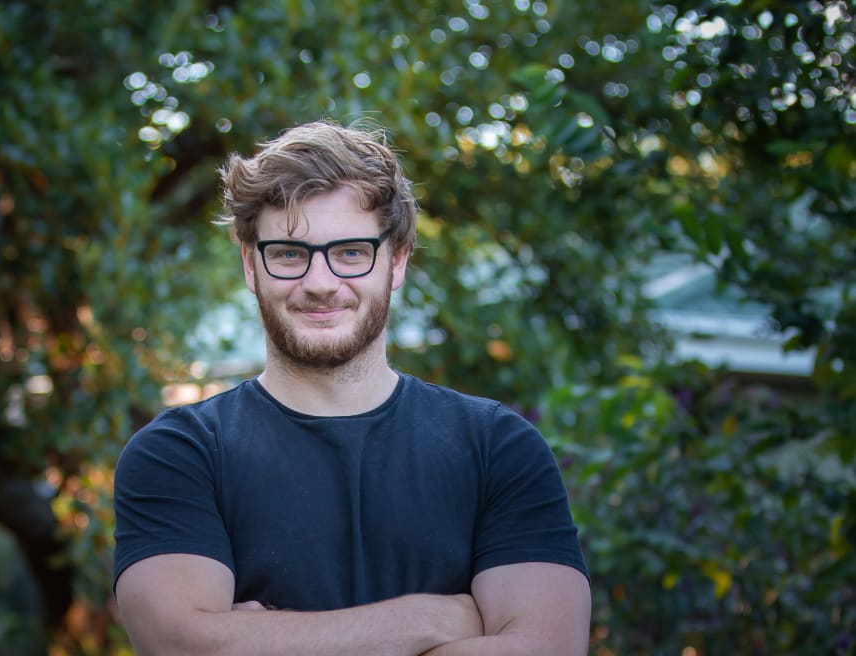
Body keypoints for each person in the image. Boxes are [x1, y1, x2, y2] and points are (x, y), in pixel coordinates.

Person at [113, 120, 591, 655]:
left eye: (351, 252)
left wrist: (269, 638)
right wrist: (431, 620)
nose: (320, 283)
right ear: (251, 264)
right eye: (290, 254)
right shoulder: (181, 453)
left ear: (398, 260)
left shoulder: (498, 448)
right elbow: (186, 647)